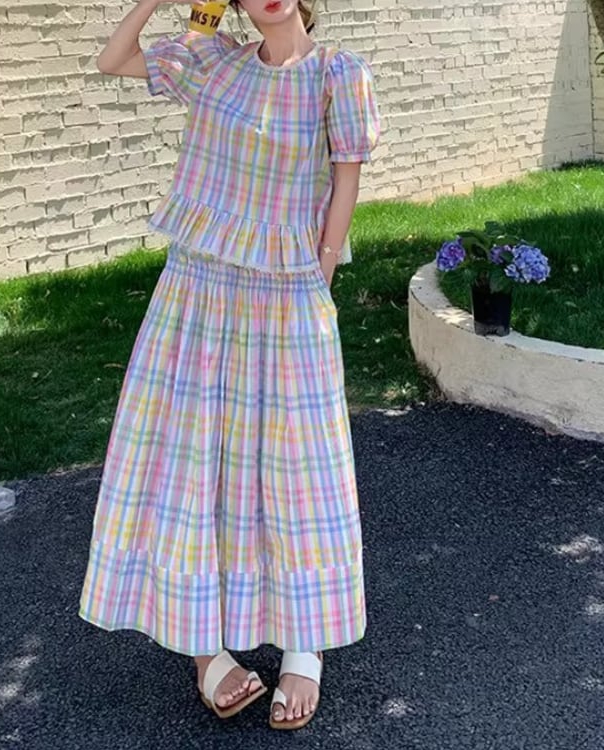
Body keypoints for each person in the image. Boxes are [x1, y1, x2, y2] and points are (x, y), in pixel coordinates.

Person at [79, 0, 381, 730]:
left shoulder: (339, 75)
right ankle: (203, 650)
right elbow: (114, 60)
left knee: (298, 468)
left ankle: (305, 643)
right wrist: (164, 6)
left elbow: (345, 179)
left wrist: (321, 274)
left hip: (286, 292)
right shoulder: (212, 60)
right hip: (198, 291)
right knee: (193, 464)